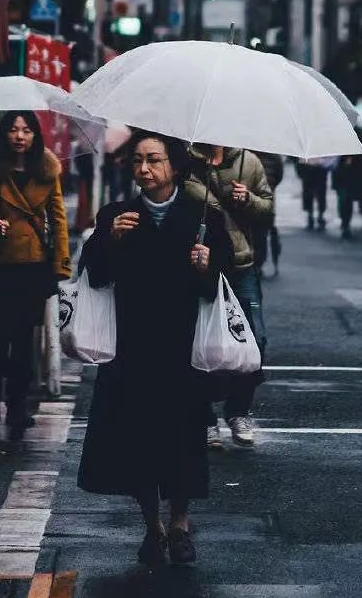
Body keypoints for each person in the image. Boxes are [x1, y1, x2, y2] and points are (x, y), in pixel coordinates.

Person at [77, 131, 230, 567]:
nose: (144, 169)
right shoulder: (117, 215)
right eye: (138, 160)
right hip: (132, 348)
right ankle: (152, 527)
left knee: (183, 439)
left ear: (175, 167)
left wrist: (206, 266)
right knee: (138, 440)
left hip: (182, 348)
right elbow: (95, 275)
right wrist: (110, 240)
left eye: (154, 160)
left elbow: (219, 286)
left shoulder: (202, 217)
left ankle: (180, 525)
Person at [0, 111, 71, 437]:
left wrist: (61, 264)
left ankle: (17, 406)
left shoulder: (47, 170)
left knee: (23, 338)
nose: (20, 136)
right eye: (13, 130)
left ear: (36, 135)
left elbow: (59, 219)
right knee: (0, 333)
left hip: (32, 264)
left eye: (26, 130)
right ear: (4, 134)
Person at [183, 146, 273, 447]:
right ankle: (204, 417)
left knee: (254, 339)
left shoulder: (248, 162)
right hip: (198, 264)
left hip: (241, 264)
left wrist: (248, 199)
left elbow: (267, 209)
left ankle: (238, 411)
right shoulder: (184, 163)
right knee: (200, 341)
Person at [297, 155, 334, 230]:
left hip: (316, 169)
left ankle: (317, 216)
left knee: (318, 195)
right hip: (311, 169)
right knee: (312, 195)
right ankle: (315, 216)